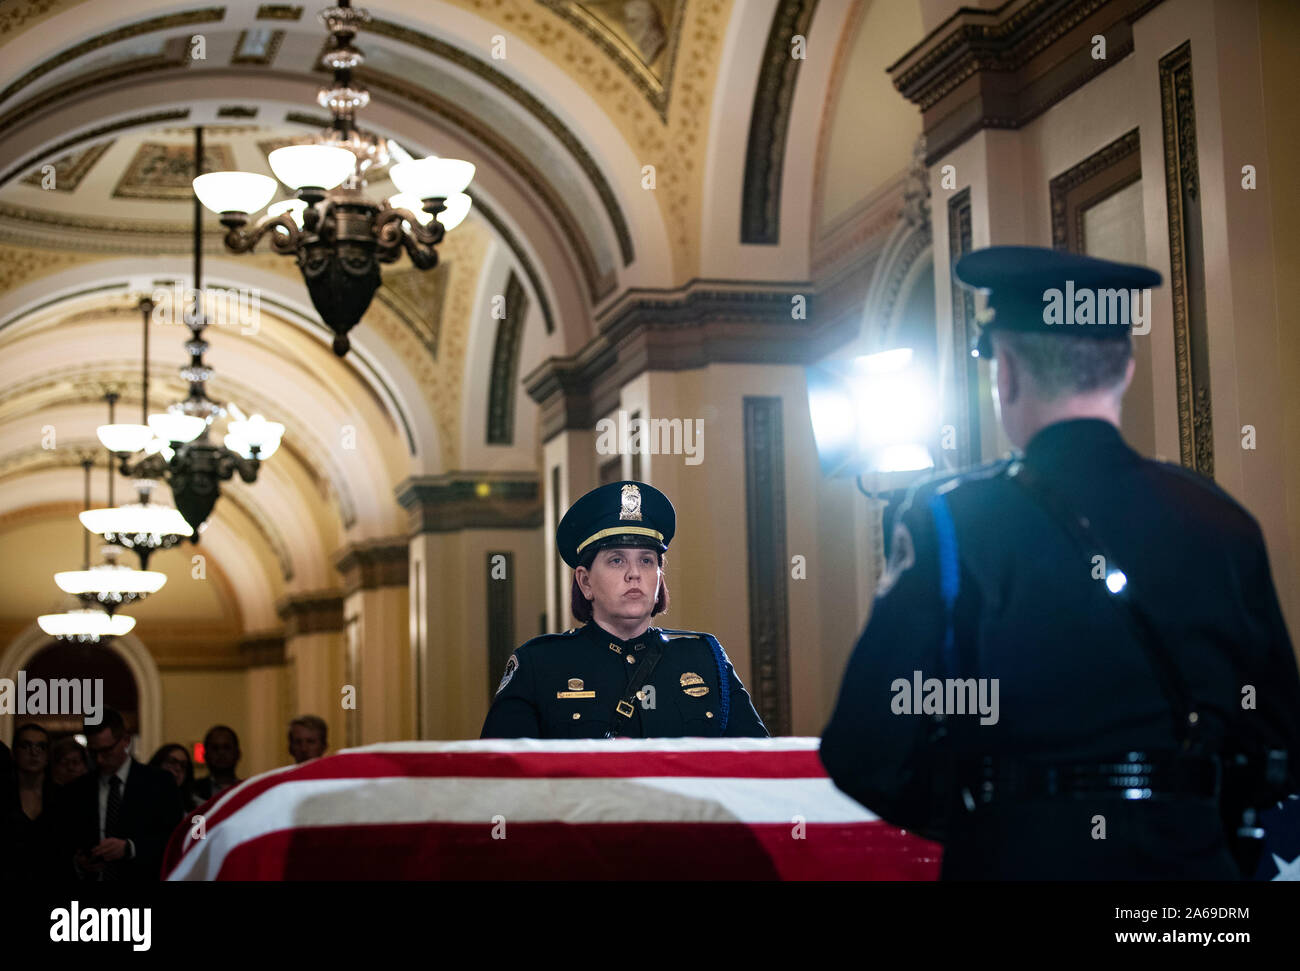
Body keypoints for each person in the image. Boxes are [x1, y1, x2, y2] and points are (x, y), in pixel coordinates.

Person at [820, 246, 1300, 880]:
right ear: (1124, 369)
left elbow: (863, 747)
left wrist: (984, 810)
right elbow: (1278, 739)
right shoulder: (1221, 520)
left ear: (1007, 373)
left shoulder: (950, 521)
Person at [482, 480, 768, 739]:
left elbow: (756, 762)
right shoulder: (538, 665)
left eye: (646, 561)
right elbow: (501, 777)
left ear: (659, 575)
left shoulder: (705, 659)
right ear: (585, 581)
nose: (634, 573)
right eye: (617, 560)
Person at [51, 708, 185, 881]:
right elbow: (63, 844)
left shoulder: (159, 782)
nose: (99, 759)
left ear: (126, 741)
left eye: (106, 751)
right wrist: (79, 863)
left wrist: (131, 848)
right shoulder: (77, 789)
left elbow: (174, 837)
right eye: (93, 752)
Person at [192, 725, 242, 805]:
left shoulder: (247, 790)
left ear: (238, 754)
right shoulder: (192, 791)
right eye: (215, 748)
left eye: (227, 747)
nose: (221, 753)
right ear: (205, 755)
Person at [148, 743, 197, 810]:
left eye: (183, 765)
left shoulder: (197, 807)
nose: (178, 768)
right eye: (172, 762)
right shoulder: (140, 798)